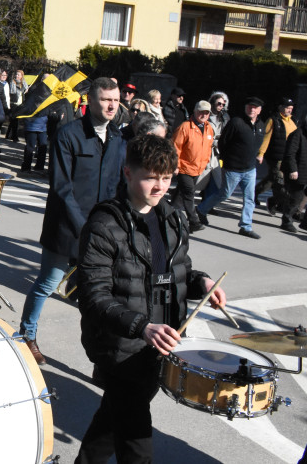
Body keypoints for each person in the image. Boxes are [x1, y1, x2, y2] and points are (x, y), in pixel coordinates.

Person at [75, 133, 225, 463]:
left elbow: (177, 271)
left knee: (108, 427)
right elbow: (93, 296)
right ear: (128, 173)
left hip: (161, 345)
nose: (159, 188)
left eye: (166, 179)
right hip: (123, 350)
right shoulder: (104, 225)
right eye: (151, 178)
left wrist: (202, 283)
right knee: (137, 445)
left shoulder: (171, 218)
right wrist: (142, 327)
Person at [18, 77, 123, 365]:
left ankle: (101, 346)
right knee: (48, 282)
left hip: (101, 229)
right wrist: (84, 225)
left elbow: (117, 184)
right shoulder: (68, 134)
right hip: (66, 227)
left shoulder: (117, 137)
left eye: (115, 100)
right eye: (106, 99)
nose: (112, 105)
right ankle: (27, 335)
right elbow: (61, 187)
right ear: (91, 100)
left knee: (99, 289)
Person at [197, 96, 267, 240]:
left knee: (249, 198)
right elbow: (223, 142)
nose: (252, 109)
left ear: (259, 110)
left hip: (250, 169)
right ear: (245, 108)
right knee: (224, 194)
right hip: (233, 169)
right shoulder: (236, 122)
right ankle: (201, 210)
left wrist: (259, 155)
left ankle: (246, 226)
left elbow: (259, 142)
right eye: (249, 106)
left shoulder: (261, 125)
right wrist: (227, 160)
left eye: (255, 107)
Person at [171, 100, 215, 232]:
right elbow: (175, 147)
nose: (204, 115)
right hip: (184, 168)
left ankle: (168, 217)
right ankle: (194, 221)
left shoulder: (209, 128)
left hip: (198, 168)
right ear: (195, 111)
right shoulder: (185, 127)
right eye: (201, 112)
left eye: (206, 112)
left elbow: (208, 147)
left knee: (179, 197)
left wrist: (206, 162)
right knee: (189, 194)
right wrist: (175, 165)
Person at [255, 97, 296, 214]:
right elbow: (266, 138)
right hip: (276, 157)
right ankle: (275, 202)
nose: (289, 110)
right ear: (280, 107)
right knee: (279, 181)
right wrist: (261, 153)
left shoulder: (293, 121)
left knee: (271, 180)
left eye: (291, 108)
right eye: (287, 108)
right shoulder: (273, 120)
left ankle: (254, 192)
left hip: (288, 158)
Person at [282, 114, 307, 233]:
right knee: (295, 198)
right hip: (299, 171)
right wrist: (293, 169)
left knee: (300, 197)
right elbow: (290, 154)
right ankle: (286, 220)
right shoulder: (298, 134)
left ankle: (305, 223)